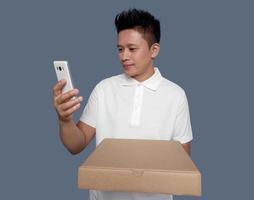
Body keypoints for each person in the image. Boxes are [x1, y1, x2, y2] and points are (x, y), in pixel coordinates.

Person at [53, 8, 193, 200]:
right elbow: (75, 145)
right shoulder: (104, 89)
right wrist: (65, 120)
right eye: (120, 49)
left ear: (154, 50)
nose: (124, 56)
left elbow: (182, 161)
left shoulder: (175, 95)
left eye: (132, 49)